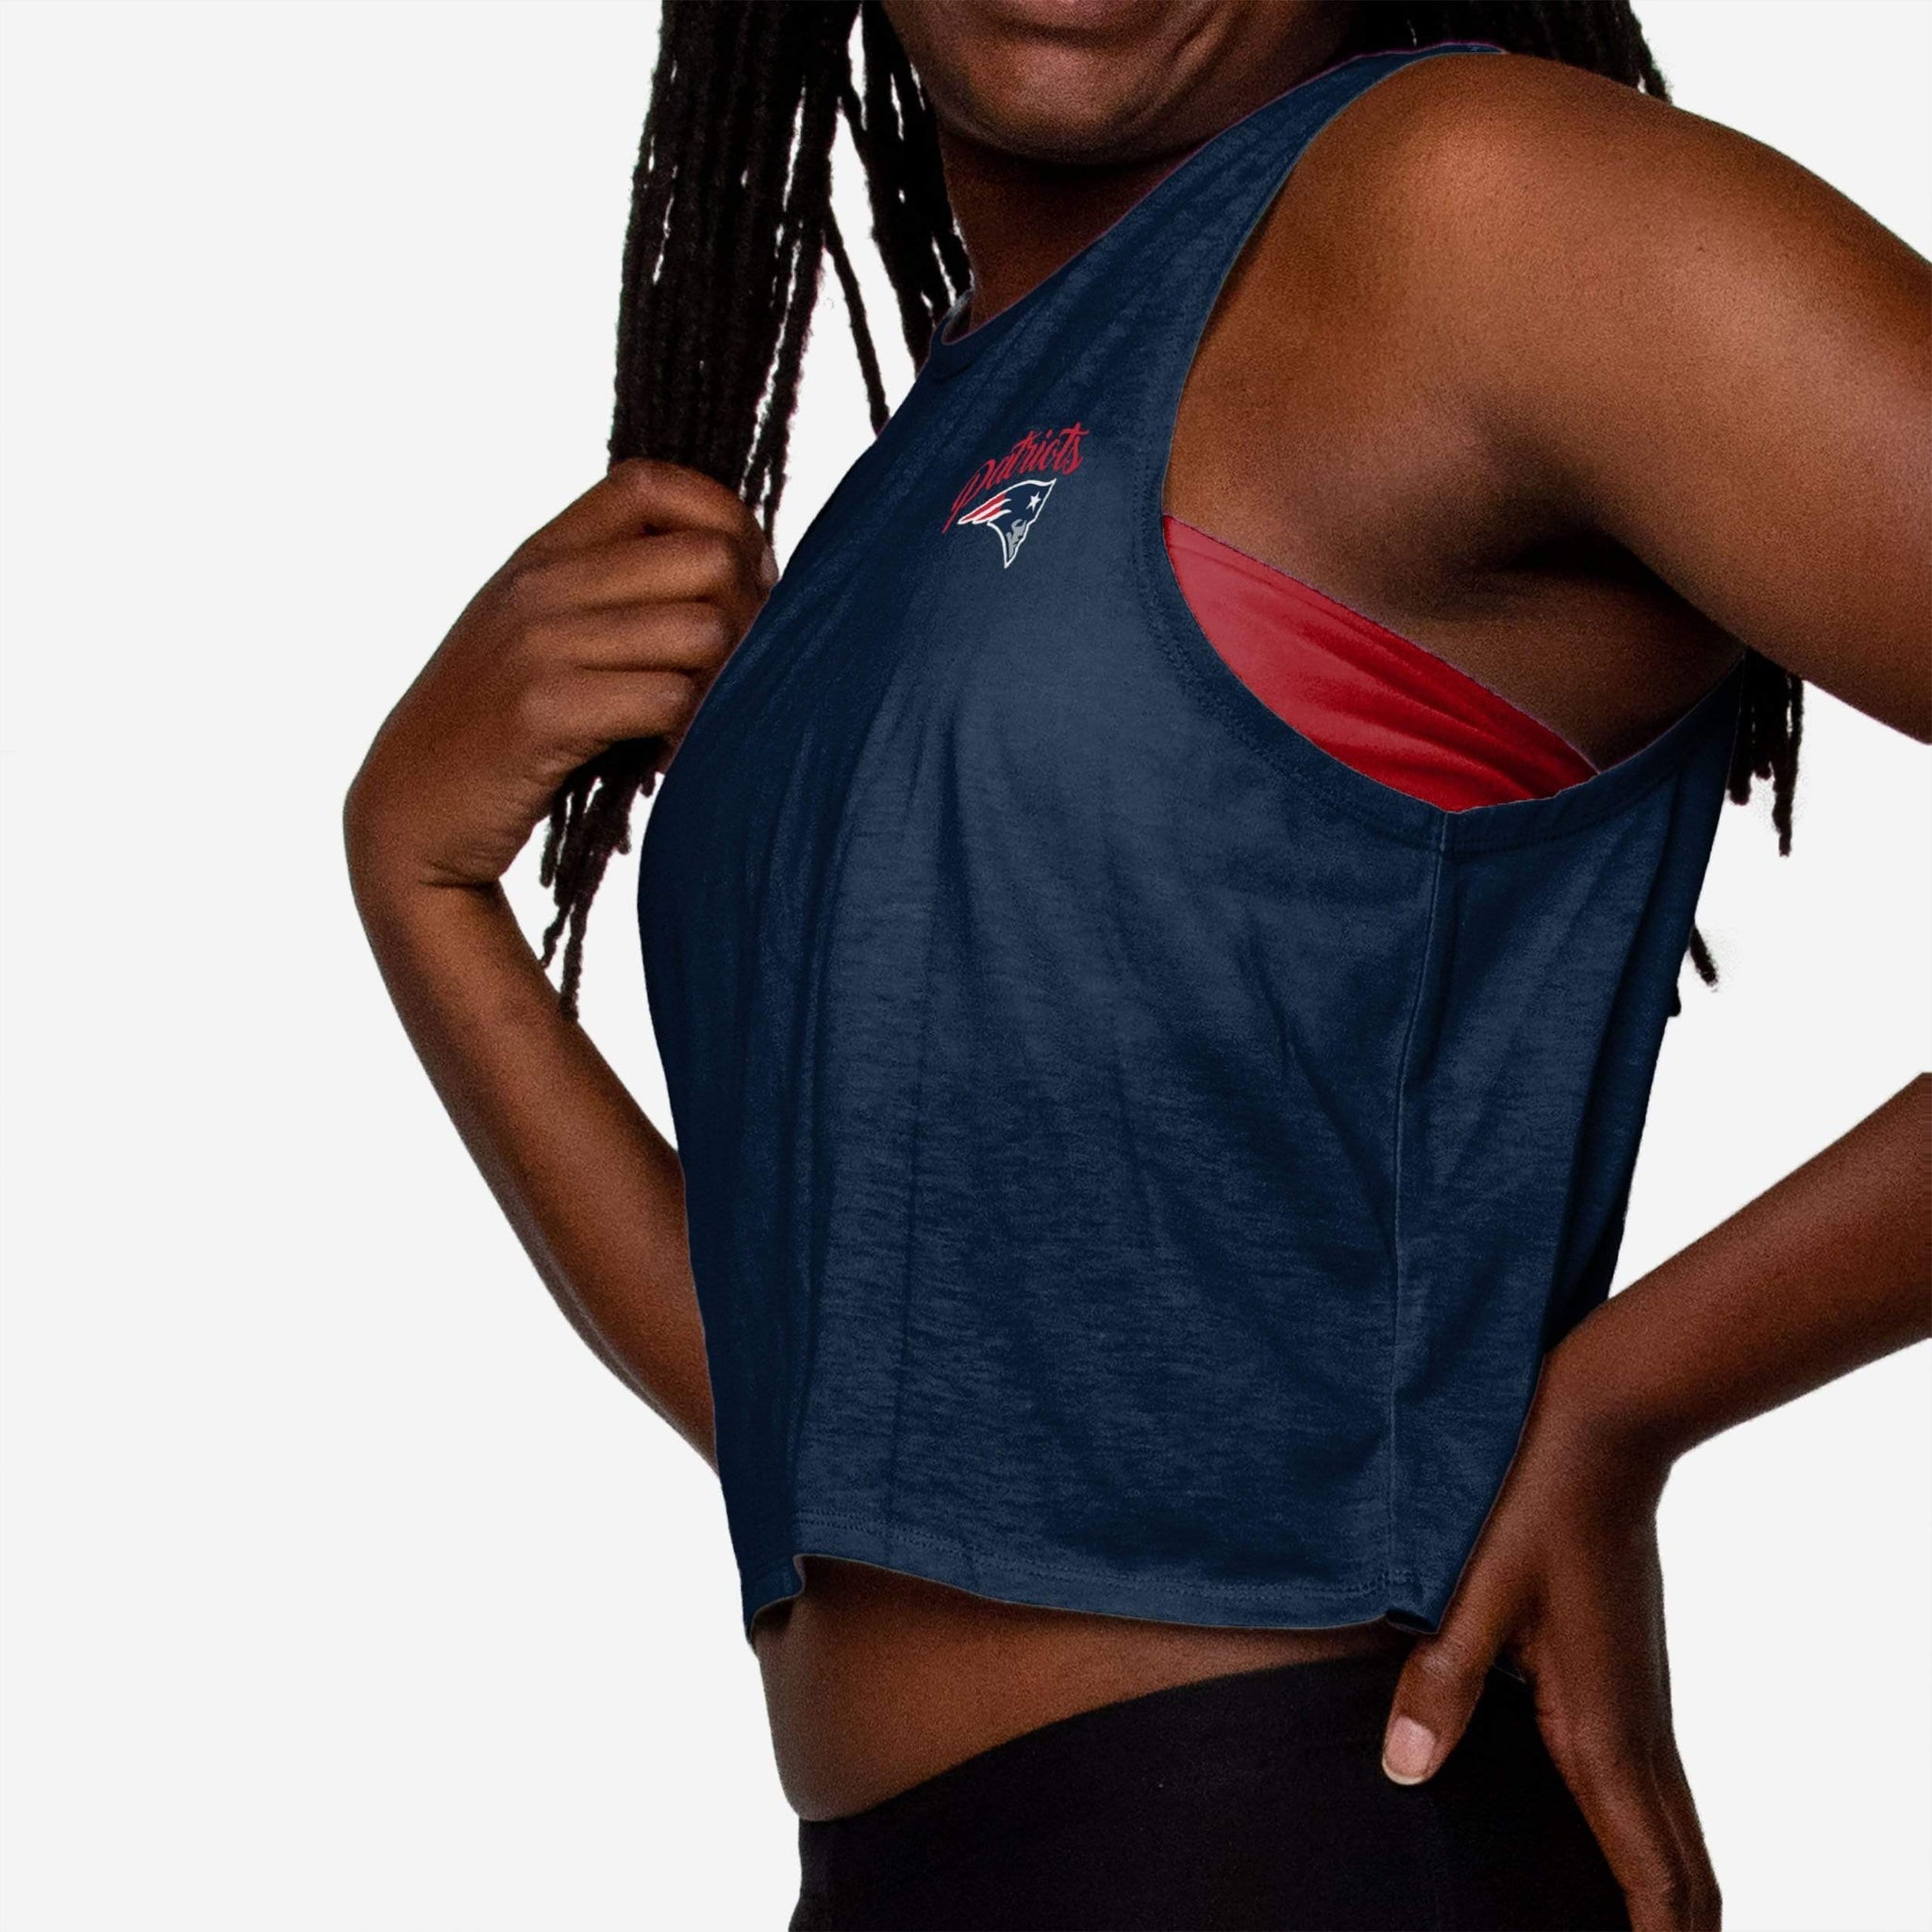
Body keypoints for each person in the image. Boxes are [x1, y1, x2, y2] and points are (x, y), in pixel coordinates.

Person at [343, 4, 1929, 1926]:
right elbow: (874, 1398)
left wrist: (1628, 1395)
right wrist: (417, 874)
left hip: (1317, 1832)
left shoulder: (1472, 209)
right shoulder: (940, 449)